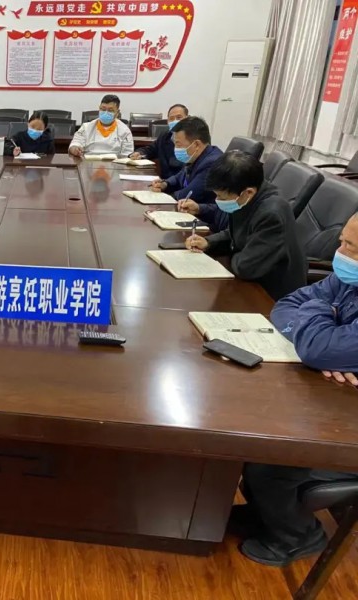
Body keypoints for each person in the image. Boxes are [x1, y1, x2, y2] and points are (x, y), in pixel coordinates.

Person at [234, 217, 358, 567]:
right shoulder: (348, 279)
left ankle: (298, 536)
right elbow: (287, 304)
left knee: (273, 459)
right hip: (337, 396)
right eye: (342, 241)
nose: (339, 253)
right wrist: (321, 335)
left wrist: (319, 332)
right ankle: (266, 513)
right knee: (256, 427)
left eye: (350, 248)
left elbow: (318, 347)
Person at [184, 151, 305, 300]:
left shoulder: (271, 215)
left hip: (272, 295)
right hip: (252, 283)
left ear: (248, 192)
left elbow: (246, 267)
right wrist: (208, 242)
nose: (217, 200)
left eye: (222, 197)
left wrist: (228, 256)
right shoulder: (247, 198)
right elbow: (236, 233)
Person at [149, 116, 223, 203]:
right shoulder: (195, 156)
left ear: (196, 144)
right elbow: (179, 177)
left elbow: (189, 194)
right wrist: (165, 184)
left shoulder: (211, 163)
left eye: (178, 145)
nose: (175, 149)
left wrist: (162, 197)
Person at [129, 103, 188, 178]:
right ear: (167, 121)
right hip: (163, 182)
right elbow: (150, 150)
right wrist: (139, 153)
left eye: (179, 117)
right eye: (171, 118)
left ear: (187, 119)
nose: (175, 121)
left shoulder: (193, 140)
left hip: (183, 182)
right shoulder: (165, 136)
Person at [68, 95, 134, 157]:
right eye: (103, 109)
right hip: (89, 162)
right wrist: (74, 149)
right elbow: (75, 143)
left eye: (110, 110)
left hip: (114, 163)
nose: (106, 113)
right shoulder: (86, 127)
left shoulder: (125, 131)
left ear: (117, 112)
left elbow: (127, 154)